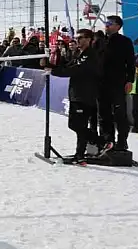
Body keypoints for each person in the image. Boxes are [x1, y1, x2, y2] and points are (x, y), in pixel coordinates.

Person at [47, 29, 111, 162]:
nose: (77, 40)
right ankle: (80, 155)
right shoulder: (79, 53)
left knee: (75, 125)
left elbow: (75, 70)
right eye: (76, 38)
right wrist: (50, 64)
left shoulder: (90, 55)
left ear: (89, 39)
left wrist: (54, 72)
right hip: (77, 94)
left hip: (84, 95)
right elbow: (67, 66)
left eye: (80, 37)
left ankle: (101, 142)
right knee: (80, 126)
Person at [98, 15, 135, 151]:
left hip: (118, 82)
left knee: (120, 114)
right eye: (106, 23)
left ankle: (122, 141)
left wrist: (130, 80)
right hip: (102, 83)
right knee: (103, 114)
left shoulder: (125, 41)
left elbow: (131, 63)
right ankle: (107, 141)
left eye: (110, 23)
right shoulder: (100, 41)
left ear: (118, 26)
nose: (106, 25)